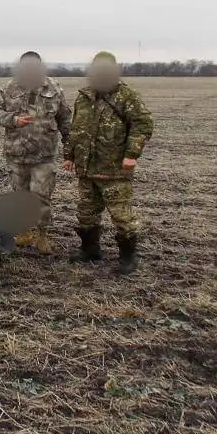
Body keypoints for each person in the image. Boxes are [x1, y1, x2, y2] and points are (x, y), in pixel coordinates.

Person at [63, 51, 154, 273]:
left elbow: (143, 125)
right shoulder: (83, 97)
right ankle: (90, 249)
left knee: (121, 215)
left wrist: (132, 155)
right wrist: (69, 155)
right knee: (86, 212)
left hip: (113, 168)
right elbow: (76, 129)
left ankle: (128, 258)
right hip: (86, 168)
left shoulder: (126, 97)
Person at [0, 51, 71, 253]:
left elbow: (65, 119)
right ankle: (24, 232)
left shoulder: (53, 88)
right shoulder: (8, 88)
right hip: (16, 154)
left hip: (44, 155)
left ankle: (42, 235)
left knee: (42, 196)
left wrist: (70, 150)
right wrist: (13, 120)